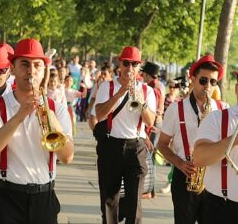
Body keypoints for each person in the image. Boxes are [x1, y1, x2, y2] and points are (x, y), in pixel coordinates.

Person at [0, 38, 74, 224]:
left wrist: (49, 114)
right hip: (4, 198)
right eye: (24, 64)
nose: (31, 71)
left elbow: (67, 157)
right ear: (12, 69)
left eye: (37, 65)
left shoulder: (58, 108)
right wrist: (20, 115)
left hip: (43, 198)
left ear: (44, 70)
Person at [157, 54, 227, 224]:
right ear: (193, 79)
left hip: (213, 179)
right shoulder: (176, 109)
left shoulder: (223, 109)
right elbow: (162, 145)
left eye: (213, 82)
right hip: (185, 176)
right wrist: (180, 164)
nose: (208, 86)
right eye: (203, 80)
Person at [94, 46, 156, 223]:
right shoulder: (108, 86)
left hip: (136, 146)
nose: (130, 68)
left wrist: (141, 102)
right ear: (119, 64)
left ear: (139, 66)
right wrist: (120, 93)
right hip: (111, 145)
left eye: (134, 64)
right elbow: (99, 114)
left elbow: (150, 122)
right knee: (109, 199)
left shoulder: (147, 91)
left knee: (134, 203)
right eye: (126, 63)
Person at [193, 71, 238, 224]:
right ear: (237, 89)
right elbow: (199, 157)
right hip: (222, 208)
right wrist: (235, 139)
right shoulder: (217, 118)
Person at [140, 61, 165, 198]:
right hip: (157, 122)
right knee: (150, 156)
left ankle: (149, 189)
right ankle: (150, 189)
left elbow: (151, 110)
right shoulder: (159, 85)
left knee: (149, 156)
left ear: (147, 74)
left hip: (153, 123)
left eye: (143, 73)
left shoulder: (153, 88)